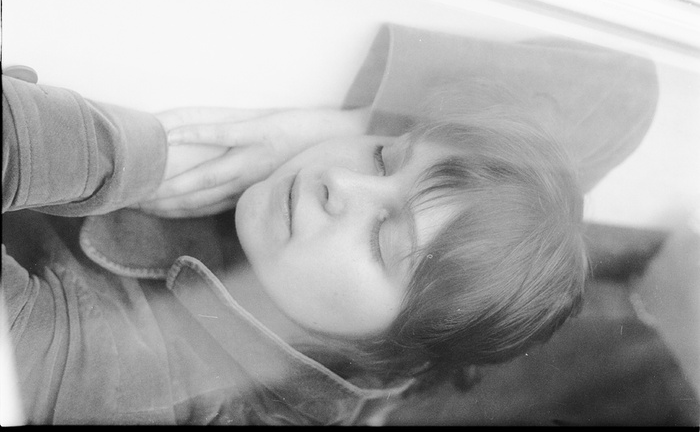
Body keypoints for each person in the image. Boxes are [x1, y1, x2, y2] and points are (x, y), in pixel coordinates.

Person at [2, 24, 658, 425]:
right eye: (384, 158)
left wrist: (138, 158)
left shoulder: (196, 398)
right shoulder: (308, 269)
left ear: (389, 344)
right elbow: (625, 93)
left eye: (382, 238)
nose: (341, 184)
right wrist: (351, 123)